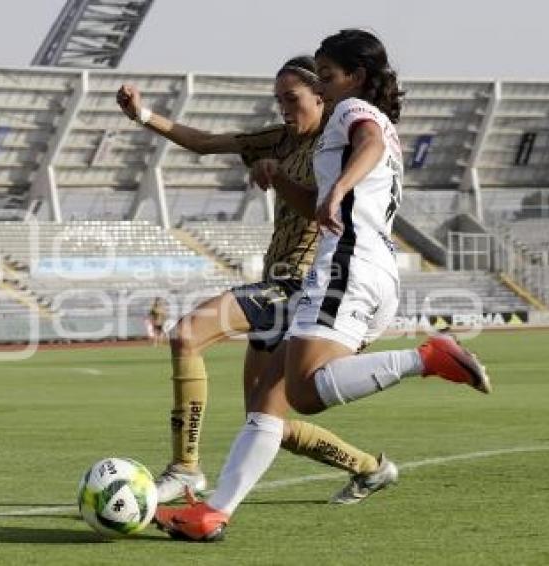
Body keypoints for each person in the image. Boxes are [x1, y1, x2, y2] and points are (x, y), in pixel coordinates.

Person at [154, 29, 492, 541]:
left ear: (354, 78)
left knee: (304, 395)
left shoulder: (356, 114)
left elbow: (369, 143)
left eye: (327, 77)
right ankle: (214, 513)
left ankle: (427, 358)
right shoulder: (365, 122)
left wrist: (338, 187)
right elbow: (322, 189)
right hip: (371, 272)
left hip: (345, 268)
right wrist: (288, 180)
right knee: (271, 402)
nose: (325, 86)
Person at [118, 56, 401, 505]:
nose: (285, 109)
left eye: (293, 100)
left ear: (321, 97)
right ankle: (370, 467)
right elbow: (207, 142)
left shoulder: (338, 137)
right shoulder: (279, 138)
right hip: (277, 281)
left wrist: (320, 184)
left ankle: (185, 470)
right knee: (263, 419)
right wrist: (144, 116)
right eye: (278, 100)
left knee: (188, 334)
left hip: (307, 283)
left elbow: (364, 156)